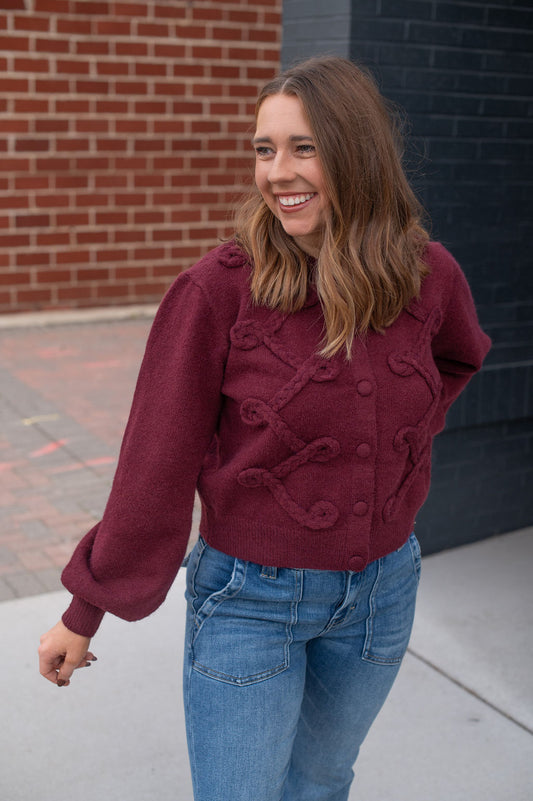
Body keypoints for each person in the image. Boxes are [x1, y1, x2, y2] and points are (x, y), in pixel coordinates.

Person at [38, 56, 491, 801]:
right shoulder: (216, 291)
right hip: (249, 600)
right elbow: (154, 463)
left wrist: (398, 440)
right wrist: (87, 607)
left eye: (303, 147)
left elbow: (457, 357)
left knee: (321, 782)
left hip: (383, 591)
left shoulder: (426, 274)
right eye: (264, 149)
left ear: (357, 152)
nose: (278, 172)